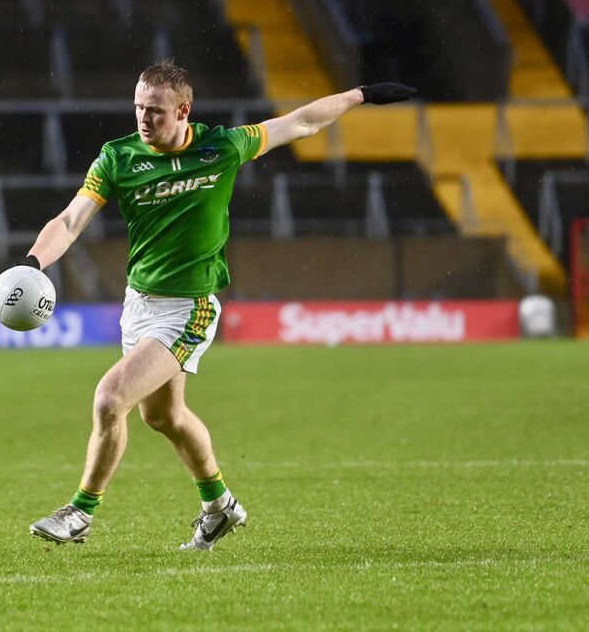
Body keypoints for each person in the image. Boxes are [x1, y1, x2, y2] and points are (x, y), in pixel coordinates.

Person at [25, 60, 414, 550]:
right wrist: (32, 263)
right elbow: (70, 220)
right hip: (138, 304)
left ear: (183, 110)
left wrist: (362, 94)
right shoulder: (117, 157)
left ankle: (80, 513)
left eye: (155, 110)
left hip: (189, 308)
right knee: (162, 417)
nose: (144, 119)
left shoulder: (221, 147)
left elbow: (300, 123)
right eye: (138, 108)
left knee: (110, 398)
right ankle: (220, 507)